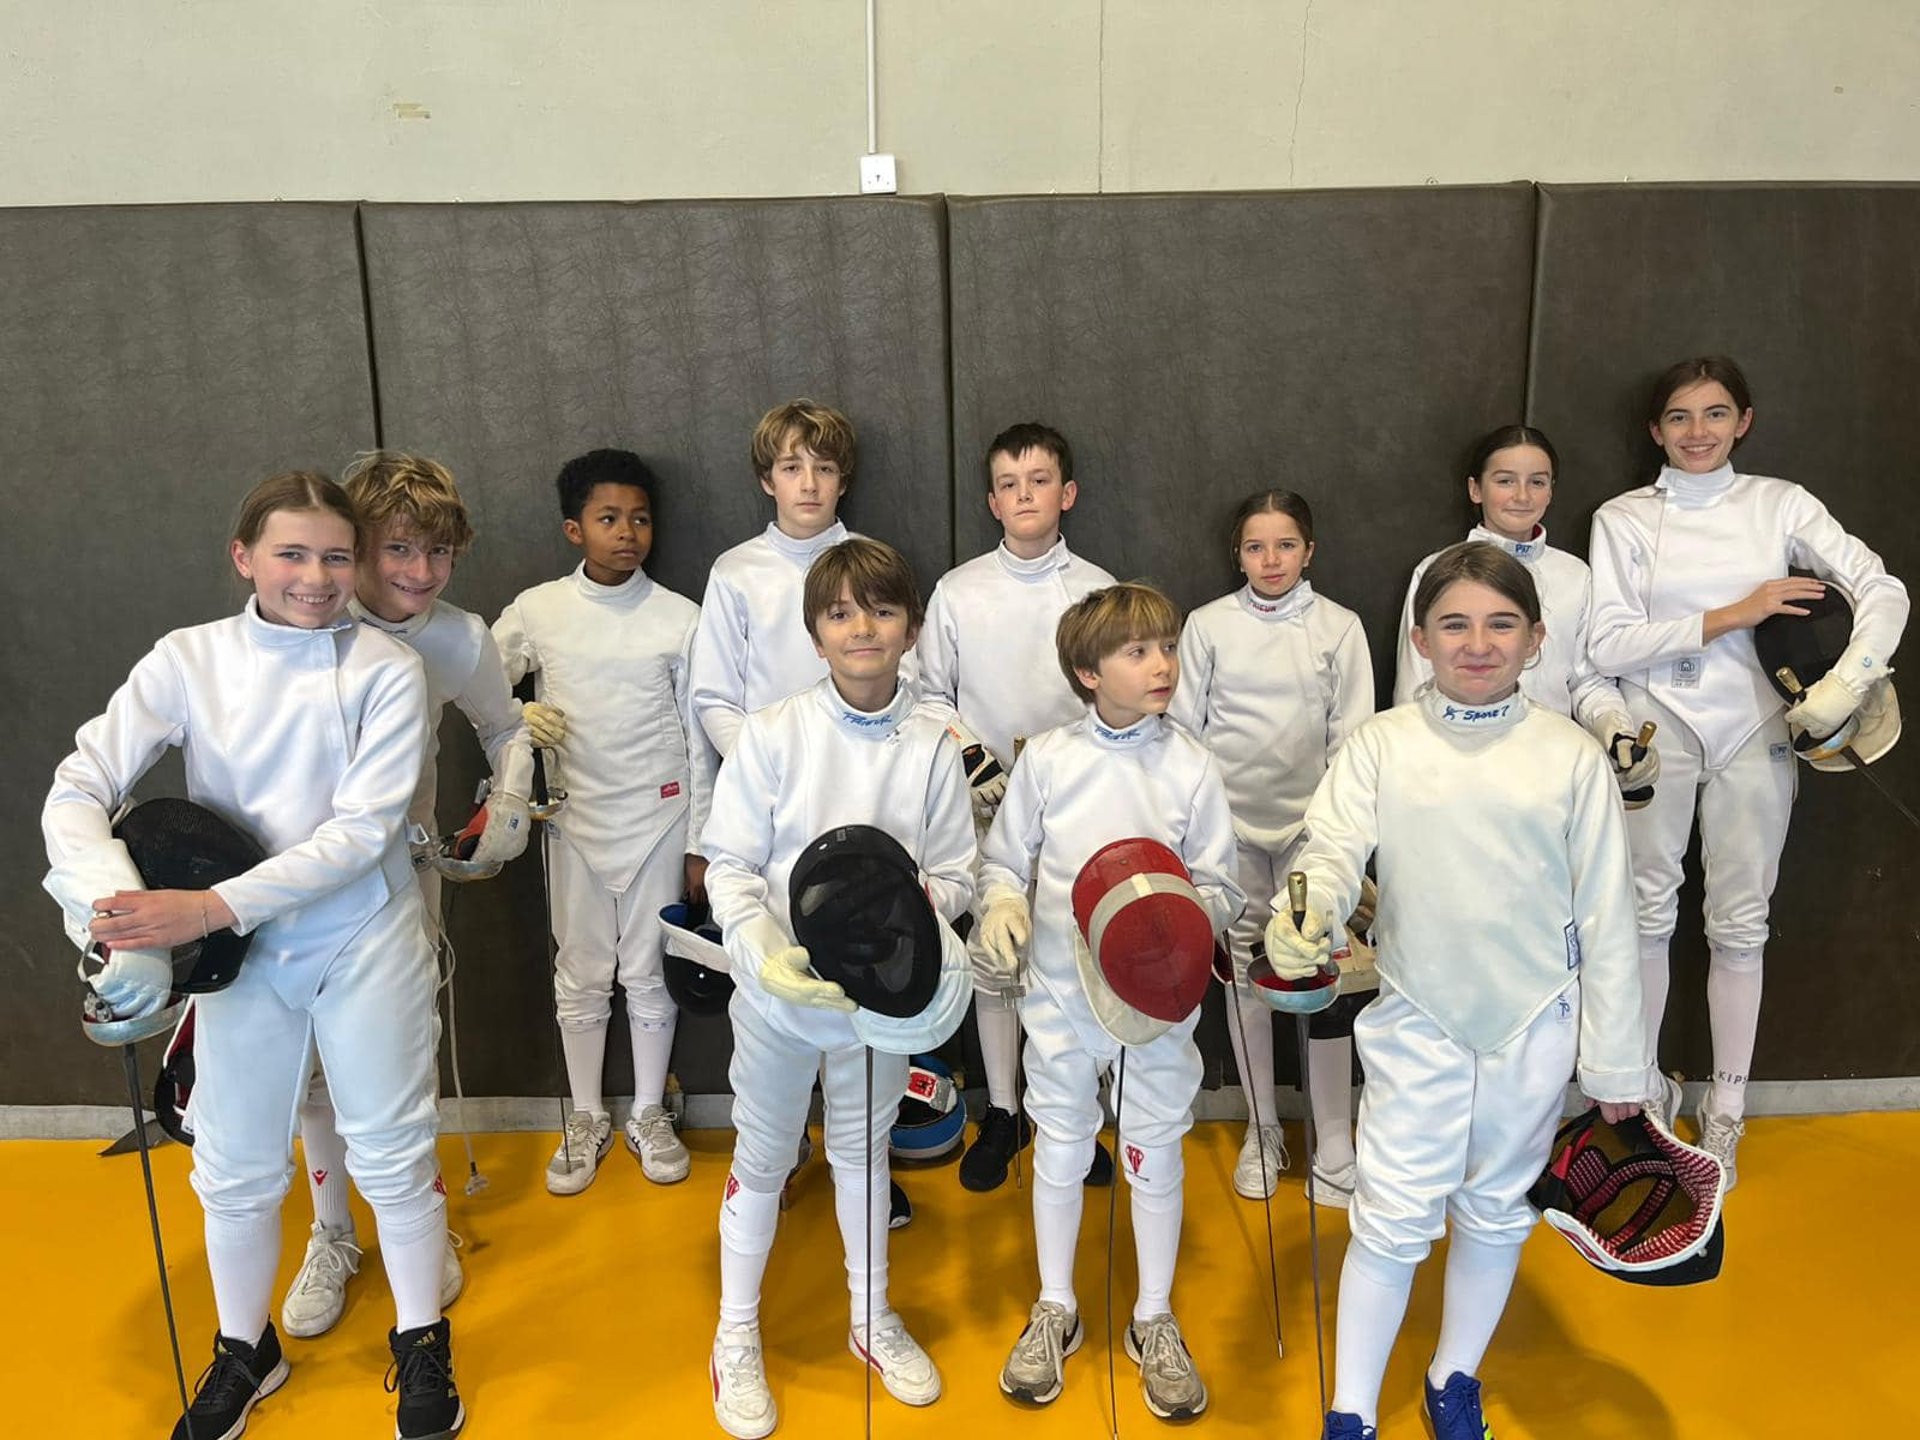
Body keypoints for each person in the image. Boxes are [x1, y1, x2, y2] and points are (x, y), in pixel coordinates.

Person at [42, 471, 465, 1439]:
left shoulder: (387, 670)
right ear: (244, 558)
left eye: (333, 557)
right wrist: (112, 912)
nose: (314, 578)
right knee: (233, 1166)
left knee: (393, 1151)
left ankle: (419, 1336)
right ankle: (246, 1348)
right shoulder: (189, 660)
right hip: (237, 956)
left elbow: (362, 834)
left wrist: (204, 907)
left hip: (362, 934)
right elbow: (80, 781)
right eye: (291, 554)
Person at [1267, 541, 1648, 1440]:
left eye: (1501, 624)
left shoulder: (1570, 757)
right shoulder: (1383, 745)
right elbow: (1328, 848)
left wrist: (1618, 1061)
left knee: (1497, 1212)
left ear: (1538, 637)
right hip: (1418, 1020)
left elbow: (1607, 917)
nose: (1478, 643)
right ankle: (1353, 1409)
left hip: (1535, 1026)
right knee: (1392, 1218)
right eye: (1456, 625)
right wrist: (1309, 909)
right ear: (1421, 639)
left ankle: (1453, 1375)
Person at [1587, 356, 1908, 1187]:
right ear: (1656, 430)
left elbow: (1883, 588)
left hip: (1758, 730)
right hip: (1659, 731)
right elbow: (1608, 643)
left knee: (1740, 924)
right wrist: (1740, 611)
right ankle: (1647, 1095)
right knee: (1645, 917)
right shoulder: (1623, 517)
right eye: (1682, 418)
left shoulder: (1781, 504)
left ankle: (1727, 1110)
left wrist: (1846, 685)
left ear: (1744, 421)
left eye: (1716, 414)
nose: (1700, 433)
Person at [701, 537, 976, 1439]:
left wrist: (893, 921)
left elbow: (957, 875)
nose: (864, 628)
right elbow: (731, 865)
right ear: (817, 634)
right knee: (763, 1159)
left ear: (913, 629)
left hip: (878, 1002)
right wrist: (762, 950)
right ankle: (735, 1335)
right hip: (781, 997)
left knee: (864, 1155)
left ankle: (870, 1318)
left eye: (883, 611)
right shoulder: (775, 733)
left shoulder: (935, 748)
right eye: (842, 614)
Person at [278, 450, 531, 1338]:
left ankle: (416, 1232)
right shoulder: (305, 617)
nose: (421, 574)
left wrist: (508, 799)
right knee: (311, 1069)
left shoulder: (459, 638)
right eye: (398, 552)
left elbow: (506, 727)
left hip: (397, 884)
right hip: (291, 888)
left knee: (399, 1063)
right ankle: (332, 1234)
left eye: (438, 554)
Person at [977, 583, 1243, 1422]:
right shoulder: (1050, 761)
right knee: (1059, 1147)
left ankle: (1153, 1318)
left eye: (1165, 647)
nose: (1161, 664)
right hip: (1058, 998)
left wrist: (1185, 920)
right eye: (1137, 651)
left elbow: (1222, 888)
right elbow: (1001, 861)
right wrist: (1002, 903)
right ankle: (1056, 1304)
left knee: (1154, 1153)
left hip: (1158, 1011)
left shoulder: (1193, 766)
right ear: (1089, 672)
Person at [686, 398, 914, 1225]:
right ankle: (776, 1153)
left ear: (841, 476)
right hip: (771, 812)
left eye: (823, 467)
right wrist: (771, 761)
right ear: (766, 479)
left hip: (865, 809)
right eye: (791, 467)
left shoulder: (870, 564)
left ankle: (864, 1159)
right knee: (782, 985)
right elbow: (711, 694)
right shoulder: (737, 571)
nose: (808, 483)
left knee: (863, 987)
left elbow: (904, 685)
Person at [494, 448, 710, 1196]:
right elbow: (479, 683)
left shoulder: (680, 618)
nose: (628, 533)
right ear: (573, 529)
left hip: (659, 814)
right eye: (609, 519)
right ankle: (586, 1114)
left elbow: (701, 731)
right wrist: (518, 713)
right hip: (574, 817)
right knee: (583, 969)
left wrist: (702, 840)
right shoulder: (538, 610)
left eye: (640, 518)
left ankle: (649, 1111)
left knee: (650, 972)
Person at [916, 421, 1118, 1191]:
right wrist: (975, 758)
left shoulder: (1097, 587)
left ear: (1065, 494)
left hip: (1072, 805)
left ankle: (1073, 1118)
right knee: (996, 959)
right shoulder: (959, 590)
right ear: (993, 500)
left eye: (1039, 480)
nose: (1024, 494)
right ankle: (1002, 1110)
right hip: (983, 807)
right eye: (1009, 483)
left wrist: (1070, 763)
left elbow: (1118, 688)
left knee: (1069, 957)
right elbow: (930, 691)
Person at [1169, 489, 1372, 1203]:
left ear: (1308, 551)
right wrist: (1203, 825)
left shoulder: (1339, 628)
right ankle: (1264, 1129)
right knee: (1249, 974)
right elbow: (1184, 734)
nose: (1271, 559)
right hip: (1230, 833)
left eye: (1285, 545)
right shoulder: (1208, 626)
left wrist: (1332, 837)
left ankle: (1334, 1144)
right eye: (1256, 546)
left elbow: (1353, 742)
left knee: (1320, 976)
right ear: (1238, 554)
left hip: (1312, 838)